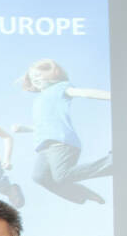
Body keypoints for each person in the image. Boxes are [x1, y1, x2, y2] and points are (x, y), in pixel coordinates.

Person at [12, 58, 113, 205]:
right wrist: (25, 129)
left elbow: (84, 93)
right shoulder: (40, 99)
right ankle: (81, 194)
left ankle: (112, 163)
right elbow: (44, 126)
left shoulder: (60, 87)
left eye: (39, 75)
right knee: (39, 176)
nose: (36, 80)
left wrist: (112, 96)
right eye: (33, 79)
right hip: (45, 147)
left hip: (61, 142)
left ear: (54, 74)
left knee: (61, 176)